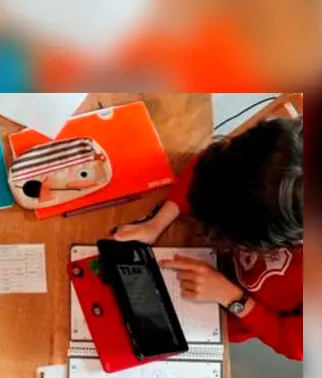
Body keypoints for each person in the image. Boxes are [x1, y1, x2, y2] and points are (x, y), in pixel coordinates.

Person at [112, 117, 303, 360]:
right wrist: (157, 222)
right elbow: (209, 167)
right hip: (196, 254)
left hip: (222, 316)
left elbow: (296, 344)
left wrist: (234, 299)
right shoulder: (282, 151)